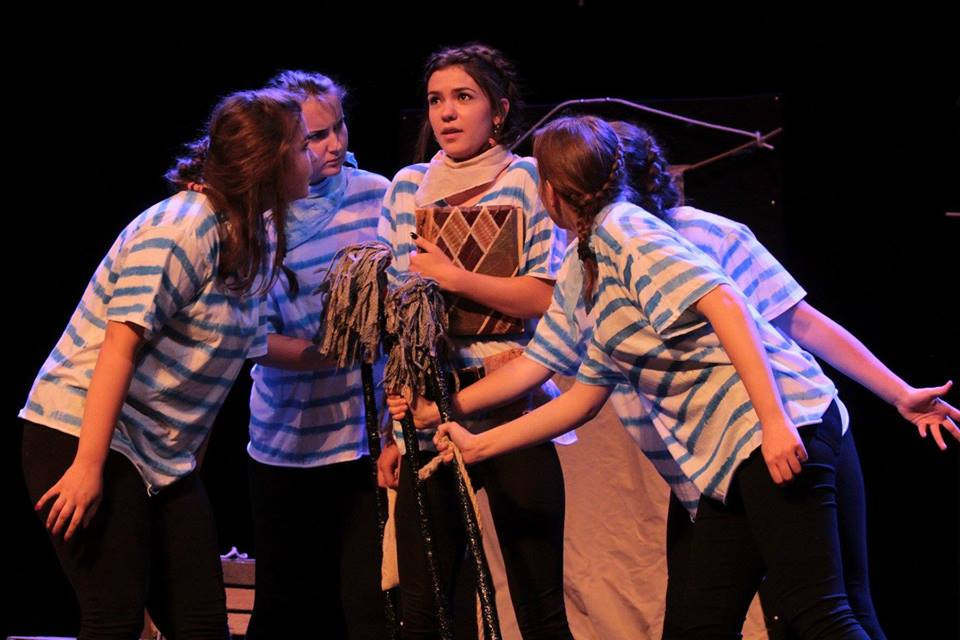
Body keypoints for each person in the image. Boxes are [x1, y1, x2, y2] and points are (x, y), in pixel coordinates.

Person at [404, 118, 958, 638]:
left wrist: (776, 421)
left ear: (552, 190)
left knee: (819, 613)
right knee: (701, 623)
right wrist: (474, 438)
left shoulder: (628, 229)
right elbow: (581, 396)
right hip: (723, 462)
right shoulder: (586, 262)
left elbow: (729, 305)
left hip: (773, 430)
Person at [18, 88, 311, 639]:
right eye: (302, 146)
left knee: (202, 623)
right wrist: (88, 466)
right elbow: (119, 346)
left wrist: (335, 354)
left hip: (161, 457)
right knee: (116, 617)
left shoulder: (252, 234)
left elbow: (247, 345)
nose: (312, 156)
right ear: (269, 164)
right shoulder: (180, 229)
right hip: (84, 433)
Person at [375, 43, 573, 639]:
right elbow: (395, 312)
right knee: (425, 607)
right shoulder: (407, 186)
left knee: (539, 604)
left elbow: (545, 296)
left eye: (464, 97)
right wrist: (391, 428)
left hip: (510, 399)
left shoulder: (527, 178)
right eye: (436, 99)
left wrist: (455, 278)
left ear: (499, 109)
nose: (447, 112)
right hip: (428, 406)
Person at [244, 70, 393, 639]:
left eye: (339, 128)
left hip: (365, 439)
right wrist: (331, 353)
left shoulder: (378, 194)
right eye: (315, 137)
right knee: (287, 608)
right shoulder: (261, 217)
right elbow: (251, 337)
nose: (334, 144)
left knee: (368, 605)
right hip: (287, 441)